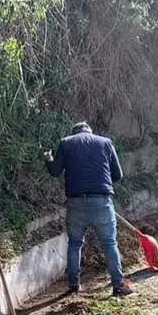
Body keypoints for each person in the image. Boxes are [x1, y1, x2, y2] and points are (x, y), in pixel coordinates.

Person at [44, 121, 134, 297]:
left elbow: (54, 171)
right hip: (101, 201)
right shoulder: (105, 142)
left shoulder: (65, 142)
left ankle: (74, 285)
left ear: (74, 132)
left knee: (75, 244)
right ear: (90, 132)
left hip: (76, 203)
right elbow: (118, 175)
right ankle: (118, 285)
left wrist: (48, 159)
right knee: (109, 243)